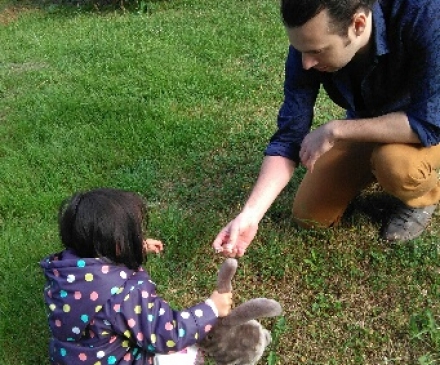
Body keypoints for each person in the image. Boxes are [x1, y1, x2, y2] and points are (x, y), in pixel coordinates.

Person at [213, 0, 440, 257]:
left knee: (397, 165)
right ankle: (376, 165)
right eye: (300, 50)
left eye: (317, 51)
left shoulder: (425, 16)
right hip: (368, 121)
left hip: (424, 124)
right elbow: (289, 138)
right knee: (310, 215)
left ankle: (423, 198)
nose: (306, 63)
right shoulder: (308, 44)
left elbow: (428, 124)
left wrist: (336, 130)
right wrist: (250, 215)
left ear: (358, 24)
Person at [40, 188, 233, 365]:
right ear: (117, 245)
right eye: (133, 235)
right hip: (115, 360)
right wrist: (211, 309)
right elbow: (167, 334)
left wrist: (135, 248)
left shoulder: (66, 273)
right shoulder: (124, 295)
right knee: (184, 357)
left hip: (71, 358)